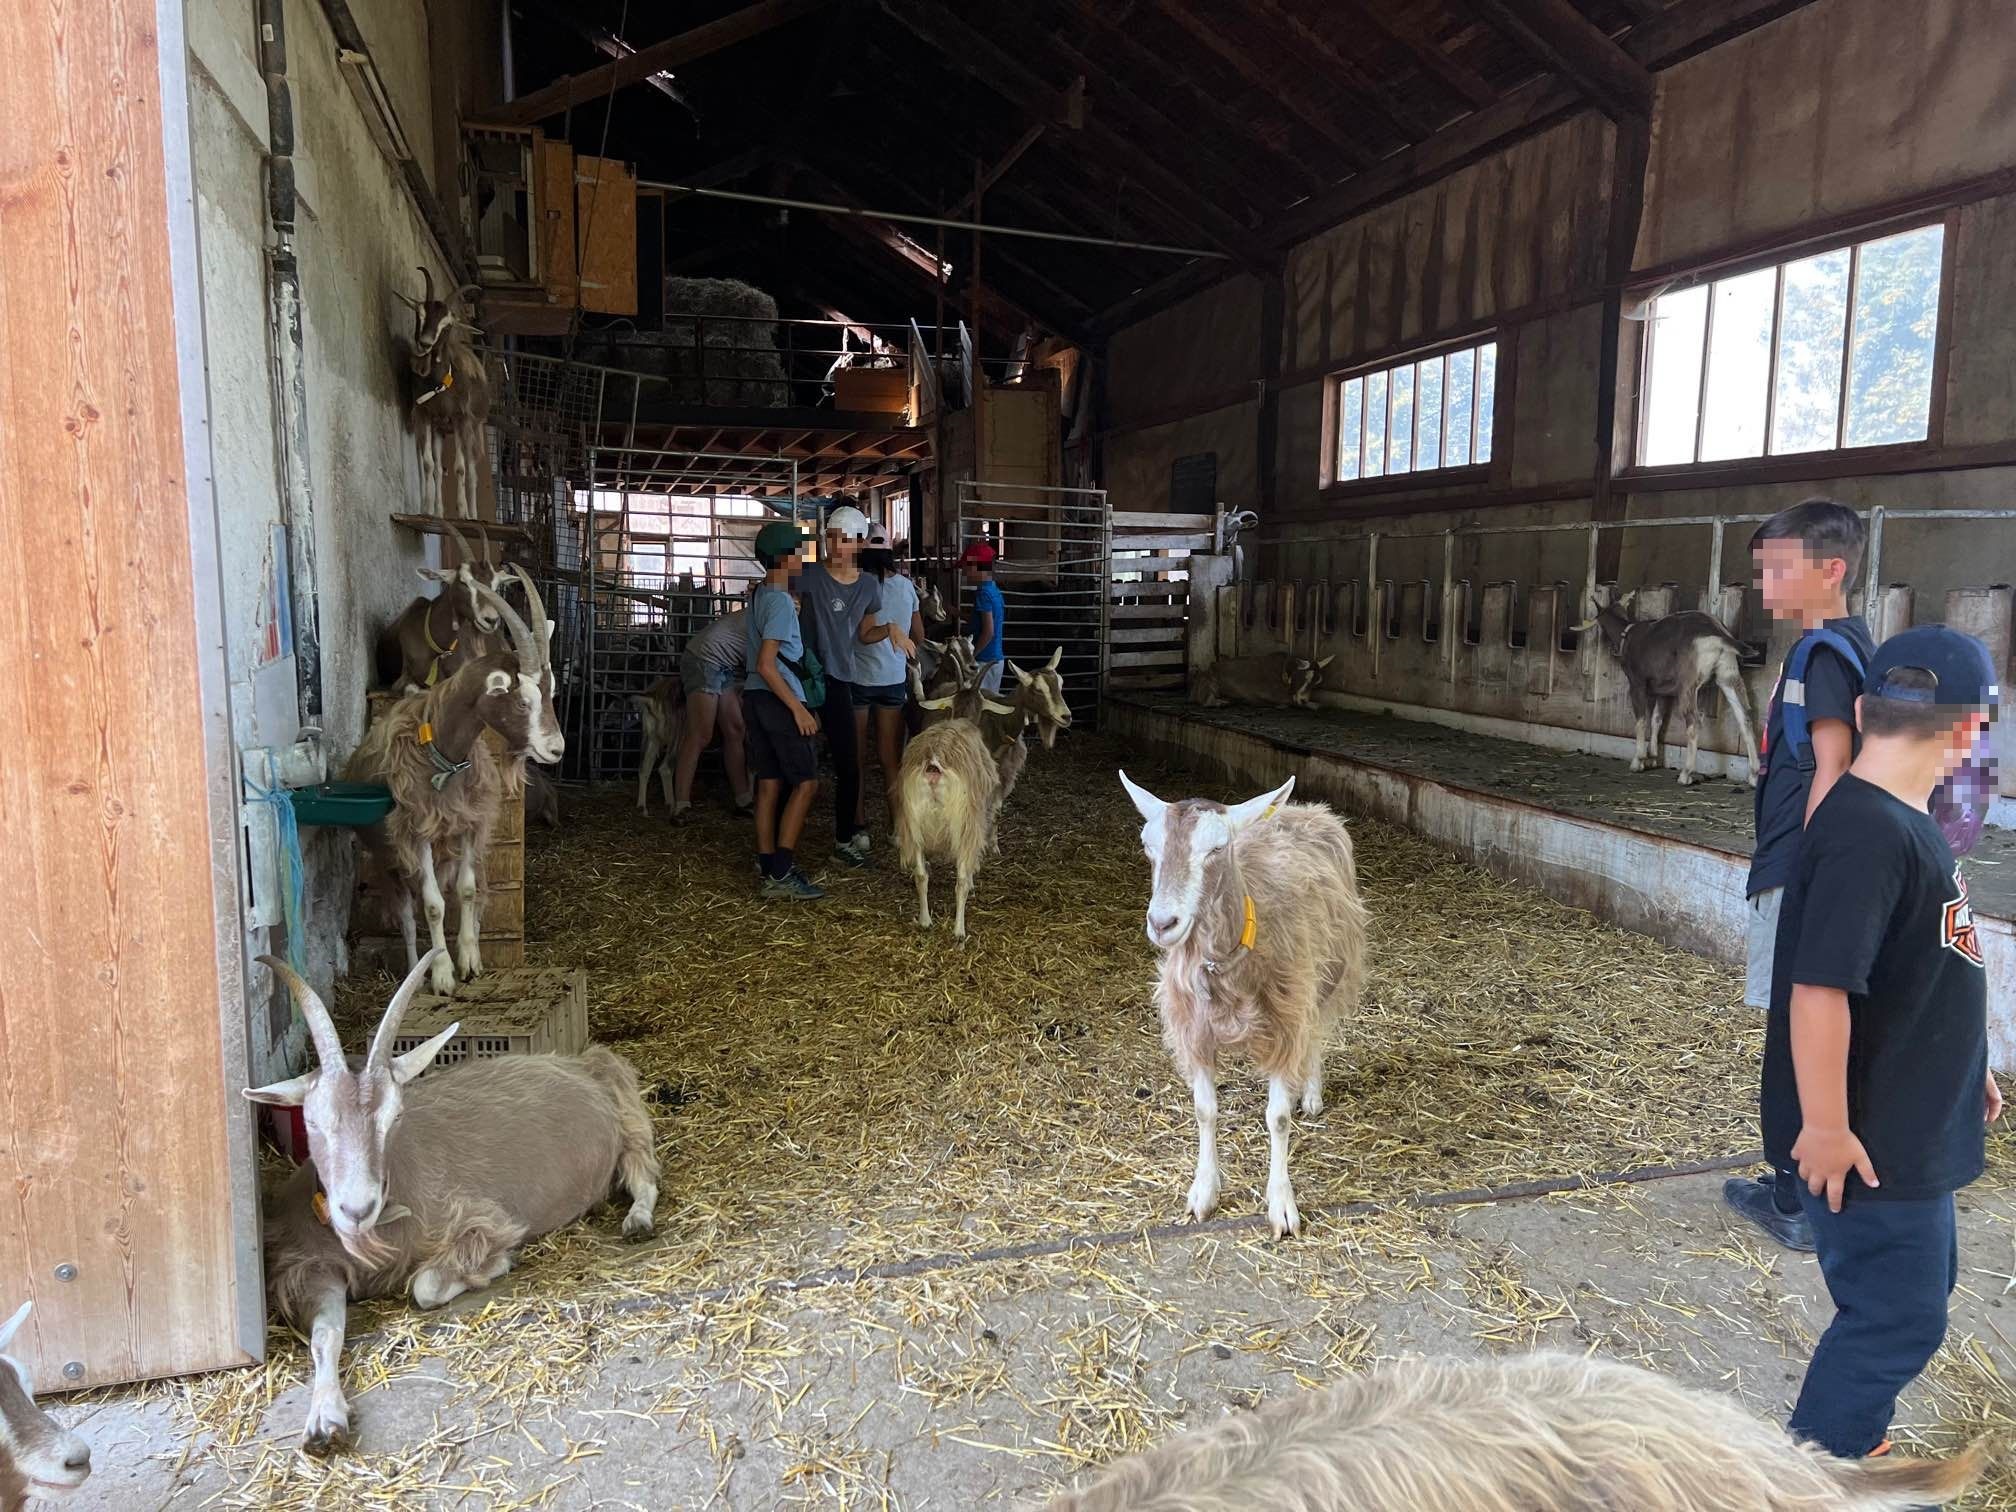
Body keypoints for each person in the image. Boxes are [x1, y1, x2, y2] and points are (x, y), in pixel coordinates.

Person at [1763, 625, 2001, 1462]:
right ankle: (1825, 1461)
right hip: (1868, 1141)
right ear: (1973, 731)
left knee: (1919, 1293)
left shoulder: (1901, 820)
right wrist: (1824, 1127)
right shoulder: (1868, 832)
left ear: (1863, 711)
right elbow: (1820, 988)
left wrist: (1969, 1064)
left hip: (1913, 1111)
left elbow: (1923, 960)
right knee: (1895, 1315)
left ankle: (1847, 1439)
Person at [1724, 499, 1875, 1253]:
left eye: (1780, 569)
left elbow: (1832, 771)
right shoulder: (1857, 647)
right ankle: (1817, 1185)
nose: (1766, 585)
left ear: (1832, 570)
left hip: (1800, 866)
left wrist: (1813, 881)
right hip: (1814, 865)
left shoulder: (1820, 655)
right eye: (1762, 572)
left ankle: (1791, 1196)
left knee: (1793, 1028)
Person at [797, 503, 906, 866]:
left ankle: (844, 839)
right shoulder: (806, 575)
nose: (835, 545)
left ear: (859, 543)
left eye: (843, 539)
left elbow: (863, 633)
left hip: (840, 679)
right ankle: (778, 849)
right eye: (830, 538)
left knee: (848, 764)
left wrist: (890, 630)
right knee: (793, 763)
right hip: (801, 678)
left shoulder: (867, 586)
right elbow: (781, 609)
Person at [743, 522, 824, 901]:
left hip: (757, 700)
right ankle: (781, 873)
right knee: (806, 783)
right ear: (784, 557)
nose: (802, 559)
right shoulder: (777, 600)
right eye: (798, 552)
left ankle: (766, 863)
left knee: (770, 782)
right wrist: (798, 709)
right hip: (778, 700)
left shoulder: (761, 594)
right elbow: (767, 663)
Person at [856, 523, 924, 833]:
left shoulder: (856, 584)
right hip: (893, 680)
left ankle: (857, 823)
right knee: (890, 757)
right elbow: (919, 635)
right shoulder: (907, 586)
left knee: (855, 756)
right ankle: (898, 825)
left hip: (857, 677)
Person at [671, 605, 753, 818]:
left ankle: (743, 799)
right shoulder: (774, 609)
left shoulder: (771, 607)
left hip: (725, 663)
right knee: (701, 733)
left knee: (735, 729)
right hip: (704, 658)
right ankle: (681, 804)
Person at [962, 541, 1006, 693]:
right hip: (995, 659)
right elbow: (981, 621)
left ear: (977, 568)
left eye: (967, 568)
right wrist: (955, 612)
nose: (964, 573)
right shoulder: (994, 590)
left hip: (984, 661)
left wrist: (971, 657)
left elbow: (988, 632)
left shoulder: (983, 594)